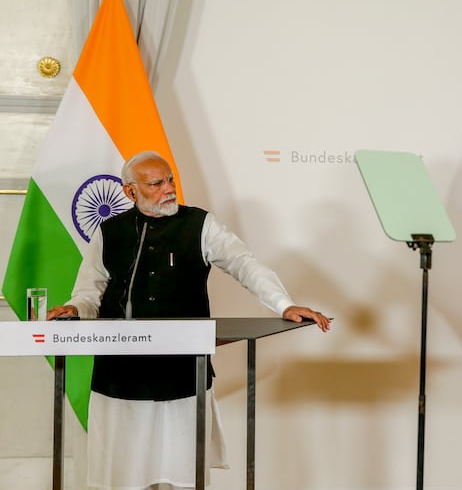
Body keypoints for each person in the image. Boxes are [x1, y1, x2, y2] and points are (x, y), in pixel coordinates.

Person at [47, 151, 331, 490]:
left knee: (180, 476)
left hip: (180, 374)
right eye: (155, 183)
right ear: (130, 192)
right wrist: (75, 309)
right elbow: (90, 290)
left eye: (170, 180)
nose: (168, 189)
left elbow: (245, 264)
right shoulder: (110, 232)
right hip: (120, 376)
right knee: (121, 476)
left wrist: (283, 304)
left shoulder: (200, 224)